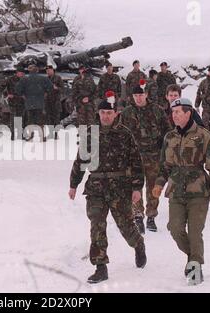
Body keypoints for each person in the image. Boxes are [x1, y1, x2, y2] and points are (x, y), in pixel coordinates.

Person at [69, 99, 147, 284]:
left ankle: (138, 244)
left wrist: (137, 187)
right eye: (103, 112)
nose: (105, 116)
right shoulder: (90, 133)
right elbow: (80, 161)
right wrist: (74, 184)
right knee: (97, 225)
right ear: (99, 113)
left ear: (116, 114)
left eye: (109, 113)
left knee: (125, 226)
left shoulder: (125, 134)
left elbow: (136, 162)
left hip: (120, 187)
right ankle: (100, 266)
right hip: (96, 187)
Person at [153, 98, 210, 285]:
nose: (173, 115)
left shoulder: (203, 135)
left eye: (177, 112)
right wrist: (159, 183)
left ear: (188, 113)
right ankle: (193, 255)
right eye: (172, 112)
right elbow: (165, 165)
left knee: (194, 232)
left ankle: (195, 267)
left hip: (198, 191)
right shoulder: (169, 137)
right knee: (175, 229)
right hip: (176, 190)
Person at [120, 86, 172, 233]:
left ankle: (151, 216)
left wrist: (163, 144)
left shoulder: (157, 110)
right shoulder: (126, 113)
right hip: (133, 157)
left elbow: (167, 131)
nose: (138, 98)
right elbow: (120, 132)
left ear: (146, 94)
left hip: (153, 156)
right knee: (135, 186)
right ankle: (137, 216)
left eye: (141, 95)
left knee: (153, 187)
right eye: (135, 95)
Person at [16, 64, 53, 141]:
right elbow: (50, 87)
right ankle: (42, 136)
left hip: (29, 102)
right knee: (40, 120)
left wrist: (23, 95)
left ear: (29, 70)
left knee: (30, 120)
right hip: (40, 101)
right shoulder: (43, 78)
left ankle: (30, 135)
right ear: (37, 70)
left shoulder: (24, 79)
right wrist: (45, 93)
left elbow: (18, 89)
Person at [3, 68, 26, 140]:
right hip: (13, 102)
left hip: (21, 102)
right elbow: (2, 87)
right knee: (12, 118)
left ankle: (21, 134)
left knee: (21, 118)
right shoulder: (10, 79)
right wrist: (7, 95)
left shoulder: (24, 80)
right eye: (20, 73)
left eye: (23, 73)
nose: (22, 74)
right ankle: (12, 134)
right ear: (17, 73)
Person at [45, 65, 64, 139]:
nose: (48, 72)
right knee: (49, 118)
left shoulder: (58, 78)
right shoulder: (46, 79)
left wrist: (56, 88)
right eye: (47, 71)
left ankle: (56, 134)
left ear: (53, 70)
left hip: (56, 101)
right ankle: (50, 133)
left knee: (56, 118)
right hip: (48, 101)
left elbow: (62, 89)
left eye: (49, 70)